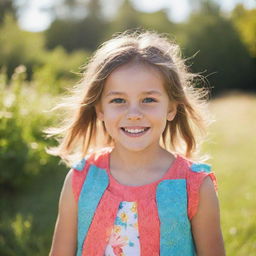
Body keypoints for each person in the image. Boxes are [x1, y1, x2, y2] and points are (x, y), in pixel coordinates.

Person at [48, 30, 225, 256]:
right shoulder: (81, 180)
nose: (134, 114)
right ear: (100, 109)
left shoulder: (195, 186)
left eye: (148, 100)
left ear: (171, 108)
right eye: (118, 100)